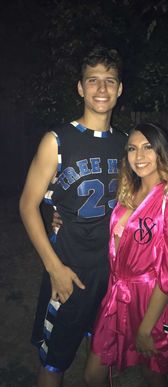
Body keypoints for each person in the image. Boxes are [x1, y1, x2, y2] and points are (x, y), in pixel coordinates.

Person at [19, 46, 127, 387]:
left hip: (112, 275)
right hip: (68, 272)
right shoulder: (57, 141)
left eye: (109, 81)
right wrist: (55, 268)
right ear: (80, 88)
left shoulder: (127, 144)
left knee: (100, 362)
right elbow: (26, 204)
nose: (101, 89)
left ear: (120, 89)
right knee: (54, 365)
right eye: (92, 80)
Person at [83, 122, 168, 387]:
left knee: (153, 375)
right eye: (132, 149)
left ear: (161, 152)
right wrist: (59, 219)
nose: (139, 156)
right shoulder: (129, 191)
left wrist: (146, 327)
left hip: (150, 299)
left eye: (148, 147)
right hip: (116, 294)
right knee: (92, 375)